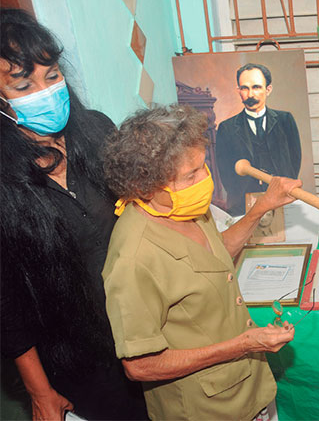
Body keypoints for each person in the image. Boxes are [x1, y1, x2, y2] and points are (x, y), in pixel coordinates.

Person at [100, 104, 300, 420]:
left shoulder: (182, 205)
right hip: (206, 408)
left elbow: (213, 254)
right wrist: (243, 345)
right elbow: (139, 365)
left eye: (203, 166)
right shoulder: (132, 260)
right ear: (144, 186)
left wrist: (261, 207)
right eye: (191, 174)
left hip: (247, 388)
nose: (205, 179)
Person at [0, 8, 148, 421]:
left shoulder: (98, 131)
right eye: (23, 84)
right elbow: (6, 302)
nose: (45, 92)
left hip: (145, 330)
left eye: (51, 76)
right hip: (76, 358)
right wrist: (40, 390)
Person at [215, 62, 302, 216]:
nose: (250, 95)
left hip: (282, 200)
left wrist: (284, 188)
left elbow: (295, 160)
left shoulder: (285, 120)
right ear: (238, 91)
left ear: (268, 89)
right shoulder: (226, 128)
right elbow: (225, 171)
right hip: (243, 206)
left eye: (256, 87)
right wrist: (243, 195)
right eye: (244, 88)